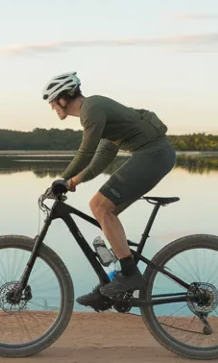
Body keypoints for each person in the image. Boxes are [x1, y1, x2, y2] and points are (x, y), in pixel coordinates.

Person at [42, 72, 176, 311]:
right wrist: (74, 180)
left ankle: (129, 273)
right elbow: (100, 158)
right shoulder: (98, 112)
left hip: (153, 154)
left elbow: (86, 152)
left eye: (52, 101)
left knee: (99, 206)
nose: (52, 107)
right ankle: (116, 280)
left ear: (63, 98)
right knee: (104, 213)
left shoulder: (91, 109)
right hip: (155, 155)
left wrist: (63, 179)